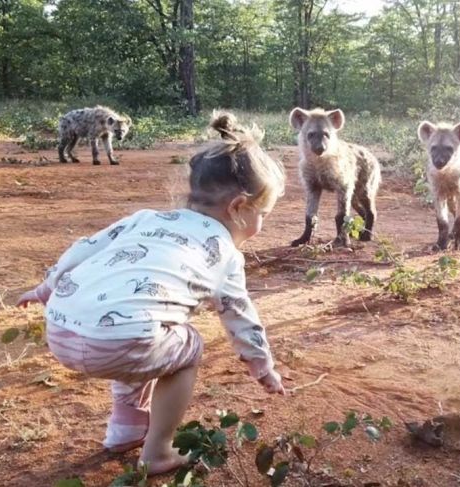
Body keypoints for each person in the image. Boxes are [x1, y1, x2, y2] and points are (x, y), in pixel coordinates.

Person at [17, 113, 286, 475]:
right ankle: (158, 450)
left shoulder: (145, 218)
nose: (262, 223)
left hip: (61, 328)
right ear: (238, 207)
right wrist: (262, 366)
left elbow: (83, 248)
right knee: (186, 346)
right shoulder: (224, 251)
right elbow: (240, 316)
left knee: (141, 325)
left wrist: (45, 289)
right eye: (263, 213)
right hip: (116, 340)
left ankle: (125, 429)